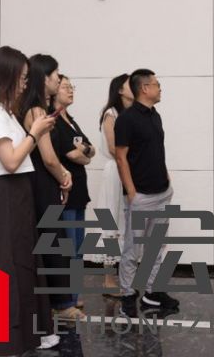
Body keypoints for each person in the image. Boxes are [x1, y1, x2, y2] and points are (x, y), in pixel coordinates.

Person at [0, 46, 56, 356]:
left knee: (22, 264)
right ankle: (4, 342)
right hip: (3, 195)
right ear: (6, 76)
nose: (25, 84)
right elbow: (10, 161)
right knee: (3, 267)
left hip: (17, 193)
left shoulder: (5, 112)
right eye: (21, 78)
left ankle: (24, 338)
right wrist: (34, 133)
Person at [17, 54, 85, 322]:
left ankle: (57, 303)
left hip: (45, 181)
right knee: (53, 242)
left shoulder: (41, 108)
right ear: (44, 78)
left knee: (54, 242)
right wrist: (64, 176)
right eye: (56, 74)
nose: (59, 79)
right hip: (42, 182)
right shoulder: (36, 110)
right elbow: (48, 157)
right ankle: (62, 305)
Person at [115, 68, 179, 317]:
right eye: (156, 84)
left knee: (156, 247)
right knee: (133, 250)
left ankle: (153, 293)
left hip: (162, 192)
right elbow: (121, 157)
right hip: (140, 195)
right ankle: (127, 294)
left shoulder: (155, 115)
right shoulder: (126, 119)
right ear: (144, 88)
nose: (160, 88)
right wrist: (131, 192)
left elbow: (156, 149)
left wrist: (166, 176)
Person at [84, 74, 133, 295]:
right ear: (120, 90)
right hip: (117, 170)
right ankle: (108, 278)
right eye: (129, 84)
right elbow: (114, 148)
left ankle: (125, 274)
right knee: (111, 221)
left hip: (131, 168)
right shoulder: (110, 114)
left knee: (127, 222)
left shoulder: (132, 114)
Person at [52, 74, 95, 309]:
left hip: (79, 192)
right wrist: (83, 152)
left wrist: (83, 151)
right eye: (65, 87)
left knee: (78, 249)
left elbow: (90, 150)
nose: (70, 91)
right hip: (64, 193)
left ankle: (75, 295)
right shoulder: (53, 120)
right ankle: (66, 299)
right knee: (68, 249)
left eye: (72, 87)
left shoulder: (71, 121)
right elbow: (71, 154)